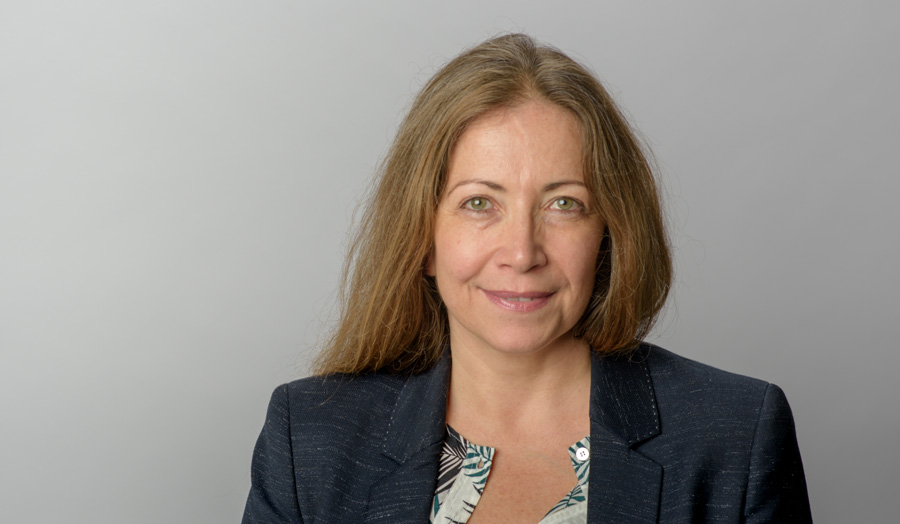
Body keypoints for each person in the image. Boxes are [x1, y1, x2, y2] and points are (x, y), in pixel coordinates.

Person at [242, 33, 812, 524]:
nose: (521, 253)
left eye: (564, 204)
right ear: (423, 238)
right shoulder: (309, 439)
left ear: (609, 234)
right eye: (479, 203)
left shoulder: (735, 434)